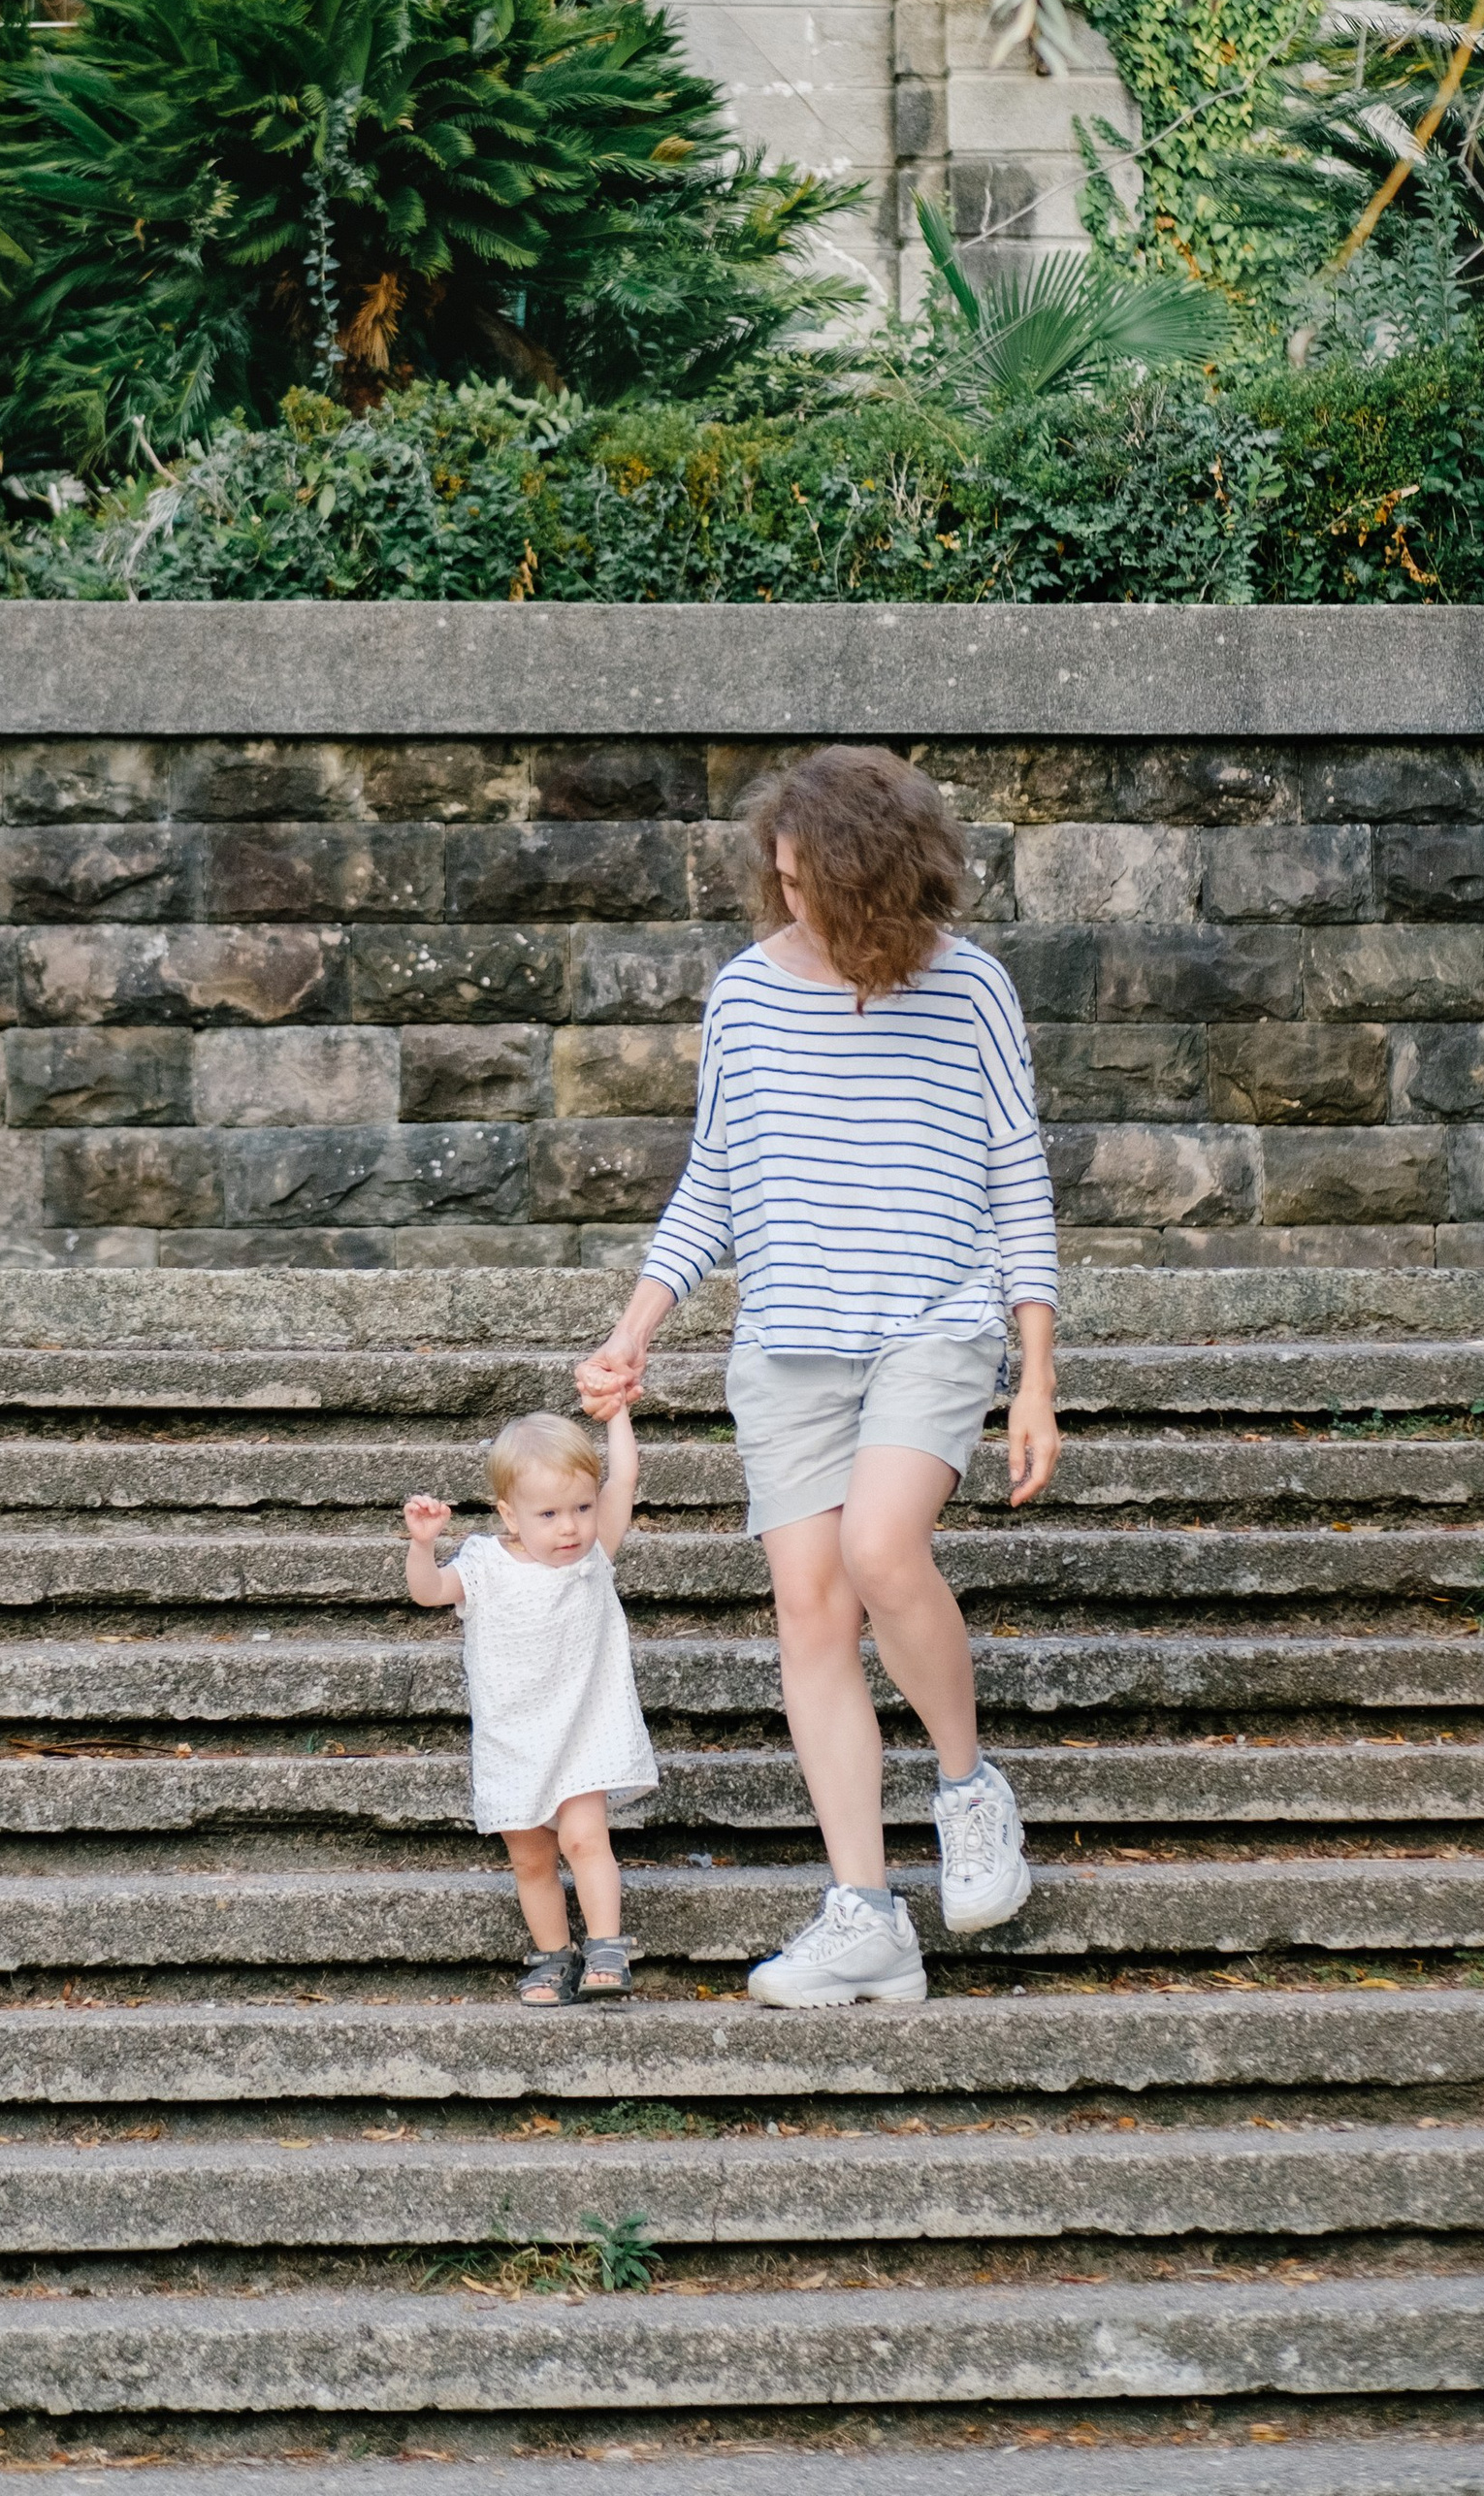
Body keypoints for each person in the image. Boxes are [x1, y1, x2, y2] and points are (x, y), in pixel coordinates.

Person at [576, 745, 1060, 2008]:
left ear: (879, 878)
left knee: (882, 1550)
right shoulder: (746, 994)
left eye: (813, 882)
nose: (792, 899)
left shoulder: (970, 988)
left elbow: (1017, 1177)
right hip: (790, 1345)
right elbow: (714, 1180)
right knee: (810, 1612)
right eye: (780, 877)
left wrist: (1037, 1372)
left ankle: (968, 1792)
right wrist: (637, 1327)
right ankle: (867, 1916)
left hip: (932, 1324)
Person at [403, 1407, 657, 2006]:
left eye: (582, 1508)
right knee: (531, 1859)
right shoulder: (485, 1564)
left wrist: (618, 1412)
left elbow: (623, 1478)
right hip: (513, 1739)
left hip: (583, 1730)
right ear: (510, 1514)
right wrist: (423, 1545)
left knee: (585, 1838)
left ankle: (606, 1947)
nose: (570, 1527)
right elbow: (429, 1592)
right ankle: (553, 1956)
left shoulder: (593, 1557)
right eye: (548, 1514)